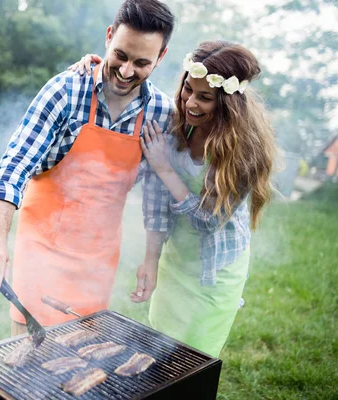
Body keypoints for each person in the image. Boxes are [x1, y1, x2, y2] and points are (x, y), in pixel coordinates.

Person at [0, 0, 176, 335]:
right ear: (109, 37)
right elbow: (15, 164)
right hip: (42, 245)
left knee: (82, 358)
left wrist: (151, 259)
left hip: (98, 256)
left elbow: (156, 194)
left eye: (141, 63)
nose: (125, 72)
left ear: (161, 57)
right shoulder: (65, 90)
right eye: (121, 55)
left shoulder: (162, 114)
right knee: (29, 352)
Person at [73, 41, 277, 357]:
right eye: (187, 90)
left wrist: (165, 167)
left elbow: (208, 222)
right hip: (177, 260)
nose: (190, 103)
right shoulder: (179, 122)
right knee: (158, 350)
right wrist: (95, 69)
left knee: (194, 358)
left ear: (227, 105)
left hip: (213, 275)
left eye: (204, 98)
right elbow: (155, 195)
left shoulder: (244, 152)